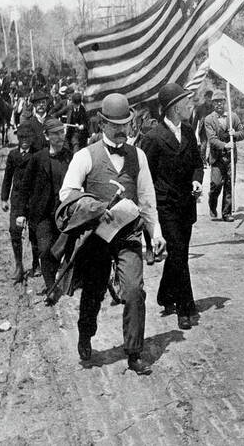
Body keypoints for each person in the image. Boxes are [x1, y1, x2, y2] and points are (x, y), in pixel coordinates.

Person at [59, 93, 166, 374]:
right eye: (115, 125)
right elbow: (67, 192)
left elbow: (147, 199)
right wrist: (93, 206)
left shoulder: (138, 155)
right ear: (102, 124)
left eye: (126, 124)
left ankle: (134, 352)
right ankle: (85, 334)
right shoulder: (85, 155)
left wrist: (155, 234)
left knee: (133, 291)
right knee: (93, 291)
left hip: (128, 236)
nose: (122, 130)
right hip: (96, 237)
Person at [141, 83, 204, 329]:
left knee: (179, 254)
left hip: (186, 205)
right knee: (178, 253)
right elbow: (145, 176)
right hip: (165, 207)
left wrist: (197, 180)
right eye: (186, 102)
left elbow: (198, 164)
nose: (190, 105)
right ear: (175, 107)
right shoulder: (153, 137)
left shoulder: (188, 132)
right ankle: (185, 307)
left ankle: (165, 295)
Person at [17, 118, 71, 299]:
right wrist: (20, 213)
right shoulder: (37, 159)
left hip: (63, 213)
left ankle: (57, 280)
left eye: (62, 132)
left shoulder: (69, 157)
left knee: (59, 248)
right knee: (45, 248)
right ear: (46, 136)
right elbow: (24, 187)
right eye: (55, 133)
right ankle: (50, 287)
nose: (60, 137)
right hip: (41, 214)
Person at [1, 121, 37, 282]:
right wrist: (4, 198)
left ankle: (37, 264)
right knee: (14, 231)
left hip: (33, 198)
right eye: (21, 137)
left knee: (35, 233)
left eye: (27, 137)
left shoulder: (37, 155)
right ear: (18, 138)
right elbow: (7, 178)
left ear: (32, 138)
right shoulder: (13, 155)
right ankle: (19, 265)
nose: (24, 140)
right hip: (17, 199)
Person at [204, 89, 244, 222]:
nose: (219, 104)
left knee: (229, 184)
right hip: (217, 158)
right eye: (216, 102)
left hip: (231, 157)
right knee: (216, 184)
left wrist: (235, 134)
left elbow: (242, 133)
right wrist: (224, 145)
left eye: (221, 101)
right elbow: (212, 139)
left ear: (224, 102)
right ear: (213, 104)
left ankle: (226, 213)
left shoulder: (233, 117)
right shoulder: (209, 119)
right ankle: (212, 204)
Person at [190, 89, 213, 166]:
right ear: (205, 97)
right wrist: (192, 131)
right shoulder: (199, 108)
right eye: (208, 97)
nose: (209, 99)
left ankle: (210, 160)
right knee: (204, 145)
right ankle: (203, 161)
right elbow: (195, 121)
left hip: (213, 129)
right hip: (203, 128)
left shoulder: (214, 108)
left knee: (213, 144)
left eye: (211, 97)